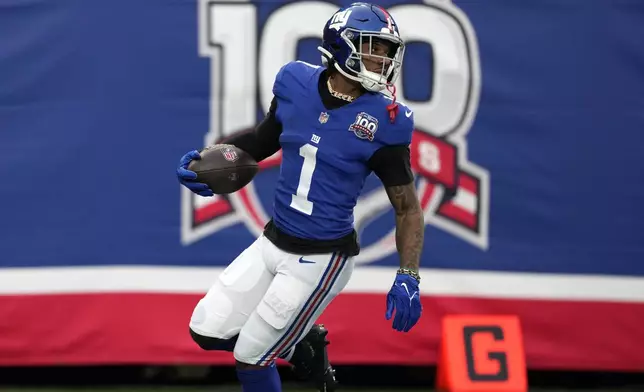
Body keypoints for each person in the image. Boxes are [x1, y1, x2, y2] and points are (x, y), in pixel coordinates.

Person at [177, 3, 423, 391]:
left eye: (387, 50)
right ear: (341, 46)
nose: (382, 58)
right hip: (273, 239)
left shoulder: (386, 121)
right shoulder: (295, 83)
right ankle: (303, 342)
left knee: (252, 359)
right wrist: (209, 161)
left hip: (322, 256)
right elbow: (261, 141)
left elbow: (407, 208)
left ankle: (293, 340)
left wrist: (408, 274)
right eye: (372, 47)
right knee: (205, 330)